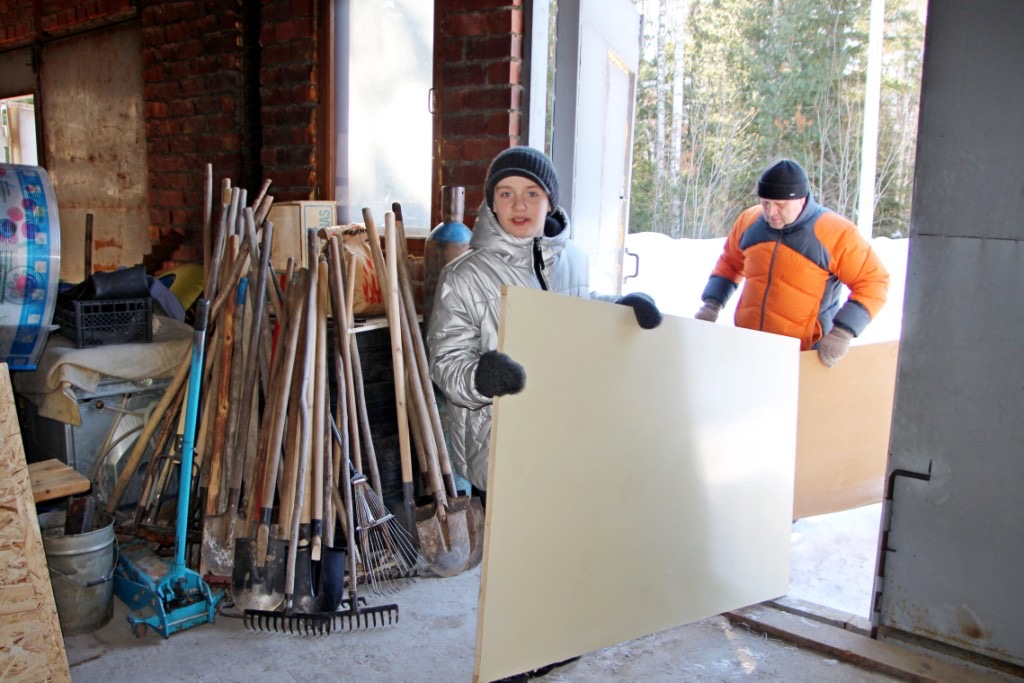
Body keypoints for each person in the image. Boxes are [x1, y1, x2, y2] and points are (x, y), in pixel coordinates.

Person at [427, 146, 662, 505]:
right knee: (511, 550)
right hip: (499, 443)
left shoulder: (573, 259)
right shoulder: (463, 276)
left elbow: (578, 309)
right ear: (491, 203)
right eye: (507, 194)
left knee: (561, 543)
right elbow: (445, 360)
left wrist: (619, 310)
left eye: (531, 194)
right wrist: (479, 377)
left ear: (550, 202)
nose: (519, 205)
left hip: (566, 430)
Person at [694, 158, 889, 367]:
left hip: (803, 353)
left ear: (801, 199)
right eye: (765, 203)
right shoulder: (750, 221)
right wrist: (712, 304)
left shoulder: (836, 233)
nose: (770, 212)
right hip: (749, 345)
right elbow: (730, 263)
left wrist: (843, 332)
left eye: (780, 205)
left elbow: (873, 282)